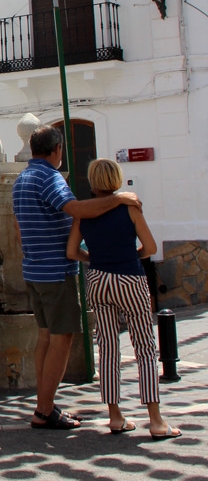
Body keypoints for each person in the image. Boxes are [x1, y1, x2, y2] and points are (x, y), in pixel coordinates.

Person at [13, 125, 142, 431]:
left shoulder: (22, 180)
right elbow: (77, 209)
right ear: (56, 150)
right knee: (62, 339)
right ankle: (44, 411)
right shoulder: (49, 178)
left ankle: (43, 406)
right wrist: (120, 199)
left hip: (33, 270)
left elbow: (18, 228)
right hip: (56, 273)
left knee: (45, 338)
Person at [66, 158, 181, 440]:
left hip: (99, 280)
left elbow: (72, 252)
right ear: (116, 179)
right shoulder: (129, 208)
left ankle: (115, 416)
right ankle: (155, 419)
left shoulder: (85, 213)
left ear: (93, 182)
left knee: (107, 348)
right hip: (130, 277)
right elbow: (150, 247)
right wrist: (131, 255)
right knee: (144, 346)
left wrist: (93, 258)